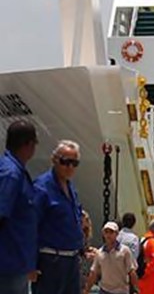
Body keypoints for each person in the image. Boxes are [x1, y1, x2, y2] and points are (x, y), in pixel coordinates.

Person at [32, 140, 84, 294]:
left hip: (72, 261)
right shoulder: (41, 188)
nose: (70, 167)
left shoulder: (70, 187)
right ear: (54, 160)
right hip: (50, 261)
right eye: (65, 162)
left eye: (74, 163)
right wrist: (31, 264)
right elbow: (30, 226)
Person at [0, 121, 39, 294]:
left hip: (15, 263)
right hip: (8, 265)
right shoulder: (12, 175)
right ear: (29, 144)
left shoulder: (12, 170)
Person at [84, 222, 138, 294]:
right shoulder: (99, 253)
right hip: (104, 290)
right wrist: (87, 290)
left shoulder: (125, 251)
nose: (108, 235)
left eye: (111, 232)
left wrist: (135, 289)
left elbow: (131, 272)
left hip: (121, 291)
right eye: (106, 232)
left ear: (117, 234)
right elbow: (93, 273)